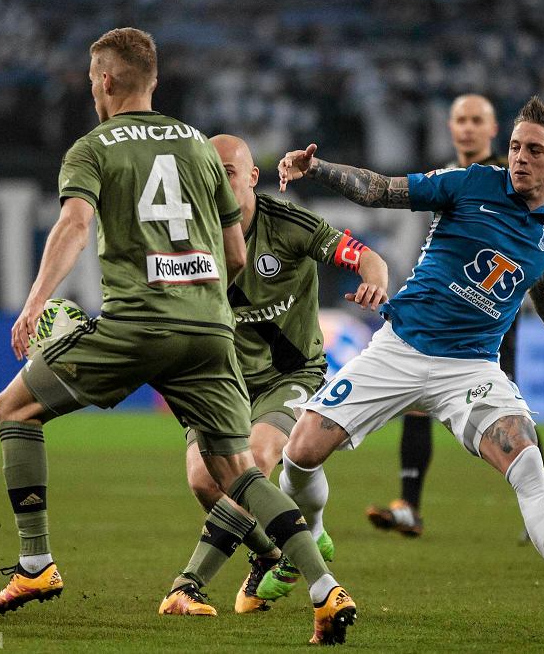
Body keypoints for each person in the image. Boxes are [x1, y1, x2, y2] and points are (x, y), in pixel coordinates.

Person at [0, 28, 357, 646]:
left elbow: (75, 224)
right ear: (153, 80)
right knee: (237, 472)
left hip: (136, 325)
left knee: (14, 408)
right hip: (209, 329)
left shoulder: (92, 148)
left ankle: (35, 565)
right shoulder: (199, 147)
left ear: (104, 80)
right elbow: (235, 254)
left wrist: (35, 302)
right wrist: (198, 299)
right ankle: (324, 589)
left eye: (89, 75)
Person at [272, 96, 544, 633]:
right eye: (514, 146)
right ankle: (316, 531)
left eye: (534, 150)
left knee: (529, 463)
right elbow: (381, 189)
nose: (519, 158)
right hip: (401, 349)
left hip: (470, 369)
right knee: (298, 454)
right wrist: (316, 168)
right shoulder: (471, 184)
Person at [164, 134, 388, 616]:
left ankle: (189, 583)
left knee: (258, 457)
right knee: (204, 481)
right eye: (207, 170)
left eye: (226, 170)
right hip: (221, 380)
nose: (215, 179)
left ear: (251, 177)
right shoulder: (184, 235)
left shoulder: (287, 224)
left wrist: (373, 279)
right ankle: (270, 554)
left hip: (290, 374)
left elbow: (367, 257)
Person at [366, 94, 519, 538]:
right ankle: (409, 508)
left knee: (508, 407)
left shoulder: (513, 179)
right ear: (451, 128)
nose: (467, 128)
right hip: (439, 311)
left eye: (476, 121)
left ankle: (540, 497)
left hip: (492, 314)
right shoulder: (447, 178)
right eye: (460, 120)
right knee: (416, 404)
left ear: (494, 130)